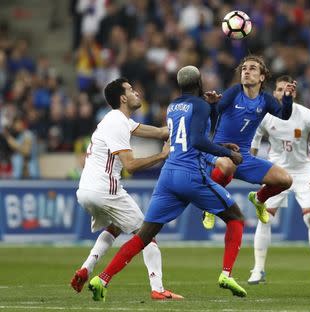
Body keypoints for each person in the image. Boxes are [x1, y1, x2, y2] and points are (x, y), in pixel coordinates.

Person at [87, 66, 247, 302]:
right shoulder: (199, 105)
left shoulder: (173, 107)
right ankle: (226, 274)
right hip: (191, 174)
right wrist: (227, 153)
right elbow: (199, 140)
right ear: (199, 82)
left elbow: (199, 130)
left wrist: (212, 107)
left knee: (143, 236)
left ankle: (102, 278)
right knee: (235, 217)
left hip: (168, 175)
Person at [72, 77, 183, 300]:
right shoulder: (118, 123)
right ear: (123, 98)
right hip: (105, 190)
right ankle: (158, 289)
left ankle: (86, 267)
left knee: (115, 226)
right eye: (132, 90)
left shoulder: (117, 120)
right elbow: (130, 166)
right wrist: (162, 155)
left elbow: (161, 132)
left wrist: (183, 122)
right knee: (147, 235)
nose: (137, 93)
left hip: (85, 191)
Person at [249, 75, 310, 285]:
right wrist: (251, 166)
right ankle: (258, 269)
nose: (280, 93)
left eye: (284, 90)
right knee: (264, 217)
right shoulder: (266, 116)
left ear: (292, 93)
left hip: (304, 172)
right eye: (277, 90)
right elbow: (254, 139)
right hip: (276, 172)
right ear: (274, 92)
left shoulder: (305, 115)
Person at [202, 55, 296, 228]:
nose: (246, 71)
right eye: (244, 68)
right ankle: (211, 205)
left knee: (286, 180)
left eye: (252, 68)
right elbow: (214, 117)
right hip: (219, 152)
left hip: (243, 158)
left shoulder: (266, 100)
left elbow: (284, 115)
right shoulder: (234, 92)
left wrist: (288, 98)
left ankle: (259, 199)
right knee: (226, 167)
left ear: (261, 77)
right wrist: (213, 105)